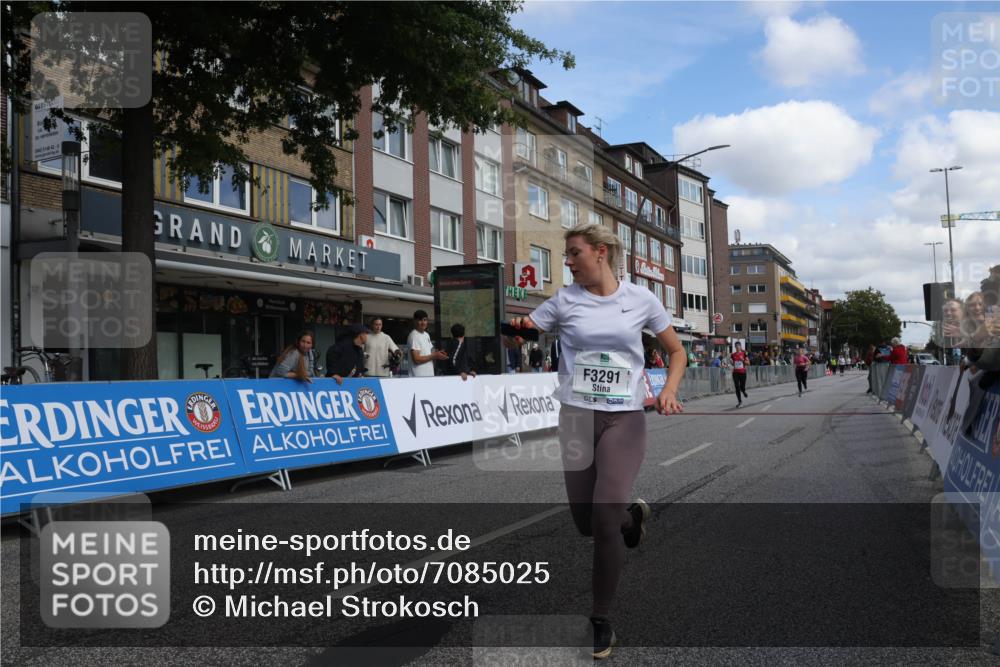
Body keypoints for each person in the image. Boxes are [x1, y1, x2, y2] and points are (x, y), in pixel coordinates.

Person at [502, 223, 685, 660]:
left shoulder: (641, 300)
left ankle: (600, 619)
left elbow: (677, 351)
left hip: (624, 419)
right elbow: (528, 330)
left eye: (573, 254)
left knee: (601, 519)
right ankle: (629, 520)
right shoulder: (564, 300)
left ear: (600, 253)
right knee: (587, 522)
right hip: (577, 419)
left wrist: (669, 389)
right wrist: (516, 328)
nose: (566, 262)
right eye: (566, 255)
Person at [407, 309, 448, 377]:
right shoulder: (414, 336)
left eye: (425, 320)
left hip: (428, 376)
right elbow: (417, 359)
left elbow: (430, 352)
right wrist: (435, 355)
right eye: (420, 320)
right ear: (414, 321)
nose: (423, 323)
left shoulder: (426, 335)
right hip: (418, 378)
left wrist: (439, 353)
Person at [731, 342, 749, 407]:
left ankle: (743, 391)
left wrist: (743, 360)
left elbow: (748, 363)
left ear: (740, 347)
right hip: (735, 373)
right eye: (736, 346)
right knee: (737, 387)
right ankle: (740, 402)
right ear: (735, 347)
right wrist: (731, 362)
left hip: (742, 373)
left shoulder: (744, 354)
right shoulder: (733, 355)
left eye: (738, 346)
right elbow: (733, 364)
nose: (737, 347)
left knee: (742, 387)